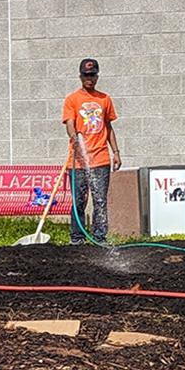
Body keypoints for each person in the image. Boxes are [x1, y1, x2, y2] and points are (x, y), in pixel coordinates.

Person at [62, 58, 121, 244]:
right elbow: (70, 123)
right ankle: (77, 237)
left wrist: (116, 152)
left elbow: (108, 126)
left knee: (100, 201)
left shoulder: (104, 99)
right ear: (80, 76)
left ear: (97, 76)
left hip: (101, 159)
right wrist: (74, 137)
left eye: (93, 75)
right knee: (79, 200)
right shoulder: (72, 99)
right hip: (79, 160)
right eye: (86, 75)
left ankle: (99, 237)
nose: (90, 78)